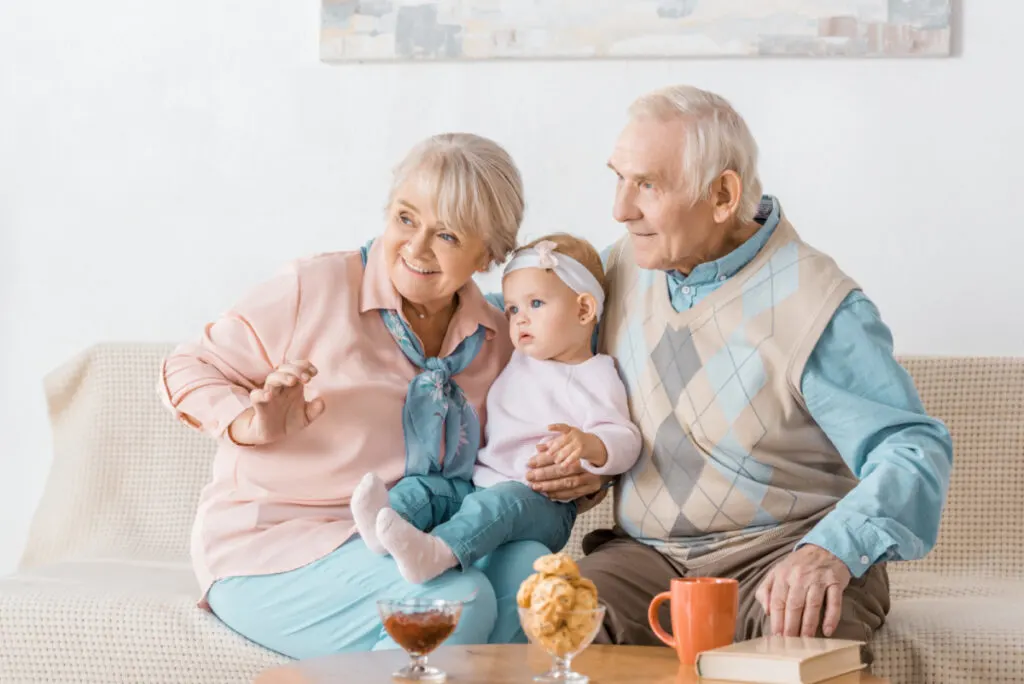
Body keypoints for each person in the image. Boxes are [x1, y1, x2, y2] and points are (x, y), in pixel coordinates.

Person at [521, 85, 954, 660]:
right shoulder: (618, 270)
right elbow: (590, 398)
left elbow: (910, 447)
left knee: (805, 640)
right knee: (562, 623)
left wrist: (830, 550)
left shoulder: (818, 304)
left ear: (722, 195)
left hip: (783, 554)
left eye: (647, 185)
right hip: (649, 558)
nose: (620, 209)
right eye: (618, 179)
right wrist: (589, 466)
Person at [158, 132, 548, 659]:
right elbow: (188, 364)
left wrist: (579, 468)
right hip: (273, 546)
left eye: (448, 236)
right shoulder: (314, 287)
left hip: (411, 541)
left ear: (489, 255)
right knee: (458, 601)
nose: (415, 247)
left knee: (530, 571)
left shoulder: (502, 336)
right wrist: (248, 424)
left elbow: (528, 446)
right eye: (406, 219)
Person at [350, 234, 642, 585]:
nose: (518, 320)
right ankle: (386, 521)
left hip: (541, 505)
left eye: (535, 304)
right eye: (513, 309)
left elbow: (625, 437)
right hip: (479, 484)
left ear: (583, 309)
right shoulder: (517, 354)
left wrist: (592, 445)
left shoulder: (595, 373)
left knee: (499, 504)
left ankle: (437, 554)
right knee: (426, 487)